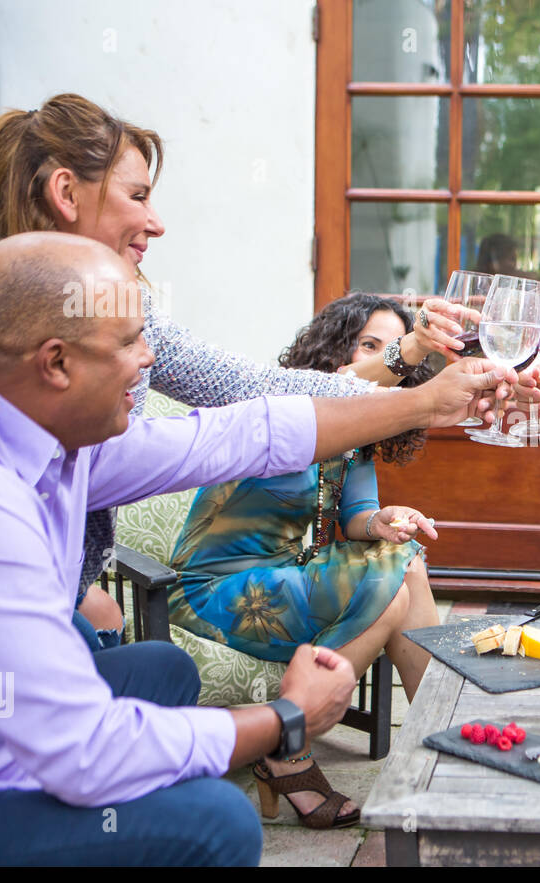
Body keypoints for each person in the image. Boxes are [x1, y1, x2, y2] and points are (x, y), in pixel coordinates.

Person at [0, 232, 512, 865]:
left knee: (163, 671)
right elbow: (85, 748)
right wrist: (283, 718)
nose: (149, 360)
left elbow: (242, 430)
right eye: (127, 343)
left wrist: (424, 401)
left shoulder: (60, 443)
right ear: (55, 363)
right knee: (217, 820)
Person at [0, 93, 467, 641]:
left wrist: (428, 386)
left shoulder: (126, 304)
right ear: (66, 193)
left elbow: (252, 392)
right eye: (137, 196)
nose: (157, 223)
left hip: (47, 593)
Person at [167, 293, 443, 828]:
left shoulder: (357, 434)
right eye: (370, 345)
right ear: (337, 349)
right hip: (217, 587)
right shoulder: (281, 413)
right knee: (393, 582)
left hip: (288, 577)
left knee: (404, 557)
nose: (384, 360)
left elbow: (358, 516)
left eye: (394, 351)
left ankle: (437, 739)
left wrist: (383, 520)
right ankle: (290, 749)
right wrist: (399, 359)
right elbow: (343, 389)